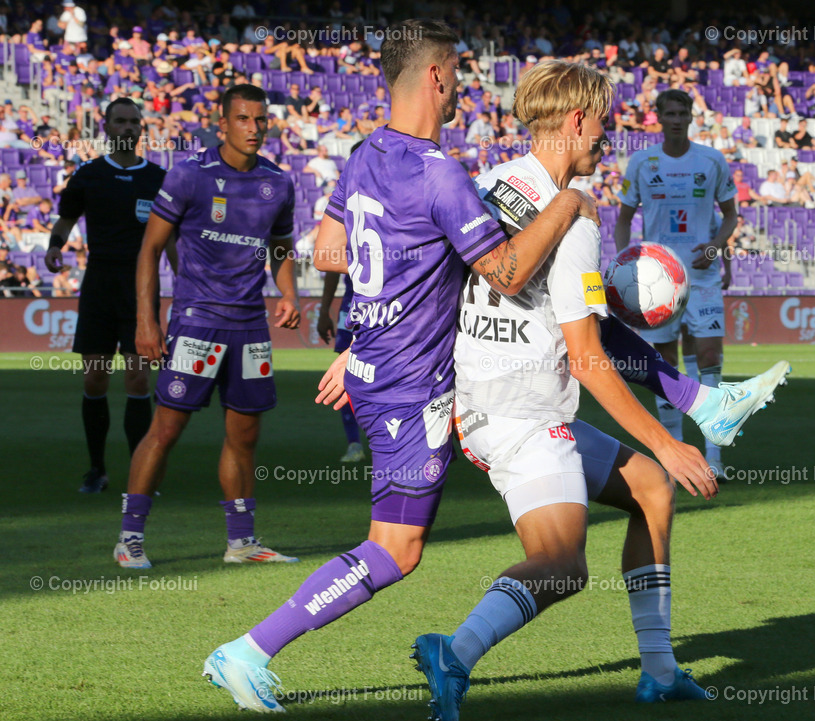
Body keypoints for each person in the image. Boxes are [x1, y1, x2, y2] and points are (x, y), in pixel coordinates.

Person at [201, 21, 599, 712]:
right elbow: (504, 274)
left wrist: (381, 311)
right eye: (460, 78)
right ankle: (248, 649)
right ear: (437, 77)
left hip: (380, 367)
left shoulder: (365, 154)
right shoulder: (439, 172)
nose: (463, 93)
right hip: (412, 387)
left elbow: (327, 251)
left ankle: (253, 650)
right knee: (395, 549)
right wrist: (565, 203)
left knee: (406, 543)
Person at [413, 61, 790, 718]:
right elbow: (587, 360)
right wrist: (666, 441)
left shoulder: (490, 185)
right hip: (521, 417)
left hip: (481, 403)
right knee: (563, 564)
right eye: (606, 124)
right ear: (577, 120)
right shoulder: (577, 222)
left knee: (649, 489)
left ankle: (660, 669)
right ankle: (456, 651)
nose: (610, 138)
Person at [113, 84, 301, 570]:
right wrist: (146, 320)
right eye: (243, 119)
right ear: (223, 124)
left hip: (250, 327)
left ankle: (241, 542)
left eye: (261, 120)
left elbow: (280, 246)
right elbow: (150, 250)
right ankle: (129, 538)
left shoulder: (278, 182)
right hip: (197, 322)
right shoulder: (188, 175)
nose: (254, 128)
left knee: (245, 435)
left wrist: (289, 294)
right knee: (167, 428)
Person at [44, 98, 168, 493]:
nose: (128, 128)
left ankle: (140, 476)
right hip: (98, 286)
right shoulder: (88, 176)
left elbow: (174, 238)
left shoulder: (159, 178)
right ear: (107, 127)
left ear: (142, 128)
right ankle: (96, 470)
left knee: (137, 379)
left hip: (141, 290)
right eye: (121, 122)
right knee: (96, 379)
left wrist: (187, 282)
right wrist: (54, 247)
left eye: (134, 122)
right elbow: (67, 218)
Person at [614, 89, 739, 479]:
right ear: (659, 118)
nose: (675, 119)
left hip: (701, 276)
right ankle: (676, 457)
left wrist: (718, 248)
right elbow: (623, 220)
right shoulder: (641, 163)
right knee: (666, 365)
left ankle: (714, 457)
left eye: (681, 113)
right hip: (658, 280)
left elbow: (731, 216)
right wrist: (626, 265)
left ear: (690, 117)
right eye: (668, 113)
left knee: (708, 359)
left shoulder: (711, 161)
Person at [317, 270, 364, 462]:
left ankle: (399, 441)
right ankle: (354, 443)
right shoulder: (341, 241)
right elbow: (330, 267)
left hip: (388, 307)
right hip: (351, 309)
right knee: (346, 380)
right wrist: (324, 310)